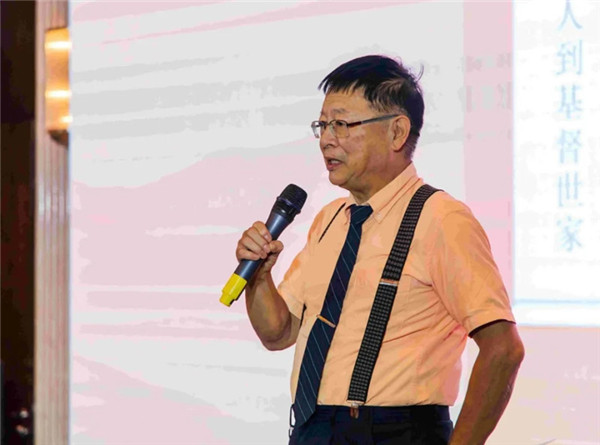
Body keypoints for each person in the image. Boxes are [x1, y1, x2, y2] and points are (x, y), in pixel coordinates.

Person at [235, 55, 524, 445]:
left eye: (342, 124)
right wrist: (260, 278)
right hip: (312, 429)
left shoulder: (441, 219)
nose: (326, 139)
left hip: (395, 431)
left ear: (397, 132)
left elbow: (503, 349)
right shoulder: (330, 220)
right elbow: (279, 332)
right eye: (322, 125)